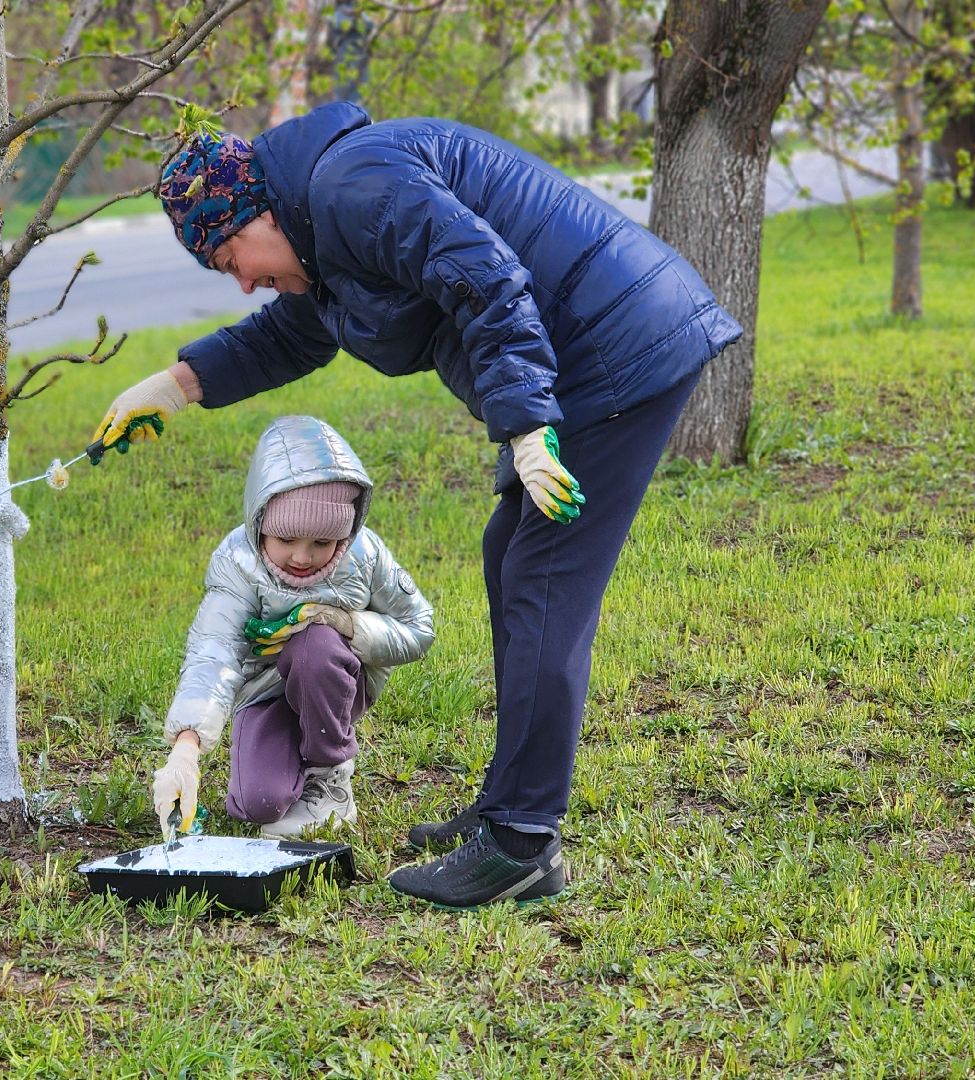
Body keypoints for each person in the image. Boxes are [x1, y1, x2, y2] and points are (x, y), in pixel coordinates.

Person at [92, 102, 742, 907]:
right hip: (581, 354)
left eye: (233, 255)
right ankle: (505, 809)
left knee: (542, 579)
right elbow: (295, 335)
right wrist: (174, 387)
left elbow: (486, 278)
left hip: (613, 347)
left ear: (258, 208)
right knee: (511, 558)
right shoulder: (325, 236)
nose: (245, 280)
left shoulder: (354, 187)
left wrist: (530, 427)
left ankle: (523, 844)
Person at [150, 415, 434, 841]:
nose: (302, 557)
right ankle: (288, 756)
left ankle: (329, 774)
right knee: (257, 805)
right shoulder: (238, 561)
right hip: (264, 689)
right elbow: (215, 647)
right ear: (261, 520)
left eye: (322, 543)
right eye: (286, 540)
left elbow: (419, 628)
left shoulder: (365, 554)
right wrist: (186, 747)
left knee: (314, 645)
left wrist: (351, 625)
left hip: (332, 679)